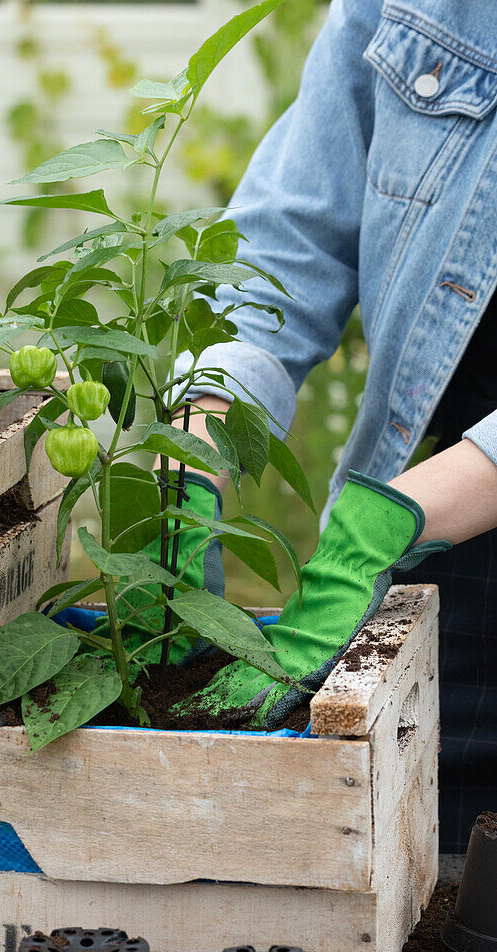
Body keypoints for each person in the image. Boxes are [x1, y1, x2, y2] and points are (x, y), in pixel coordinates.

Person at [172, 0, 497, 853]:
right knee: (422, 854)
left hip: (424, 509)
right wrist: (196, 438)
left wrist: (380, 521)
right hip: (441, 553)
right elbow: (287, 244)